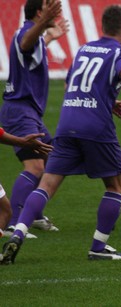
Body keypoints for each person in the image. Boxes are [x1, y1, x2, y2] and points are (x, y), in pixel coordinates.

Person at [0, 4, 121, 265]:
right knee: (116, 185)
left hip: (67, 122)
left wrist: (108, 99)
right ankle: (98, 247)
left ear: (103, 26)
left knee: (47, 183)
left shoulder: (83, 49)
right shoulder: (119, 52)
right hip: (95, 126)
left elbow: (73, 84)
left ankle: (19, 233)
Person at [0, 0, 69, 238]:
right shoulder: (26, 33)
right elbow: (25, 42)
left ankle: (34, 213)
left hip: (28, 111)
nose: (57, 13)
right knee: (35, 165)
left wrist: (50, 37)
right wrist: (42, 25)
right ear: (40, 12)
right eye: (52, 9)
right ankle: (13, 223)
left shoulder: (36, 36)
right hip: (20, 110)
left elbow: (31, 50)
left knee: (53, 161)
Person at [0, 128, 53, 241]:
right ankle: (13, 226)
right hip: (23, 112)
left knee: (5, 211)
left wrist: (22, 142)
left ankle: (35, 218)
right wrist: (22, 142)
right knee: (5, 211)